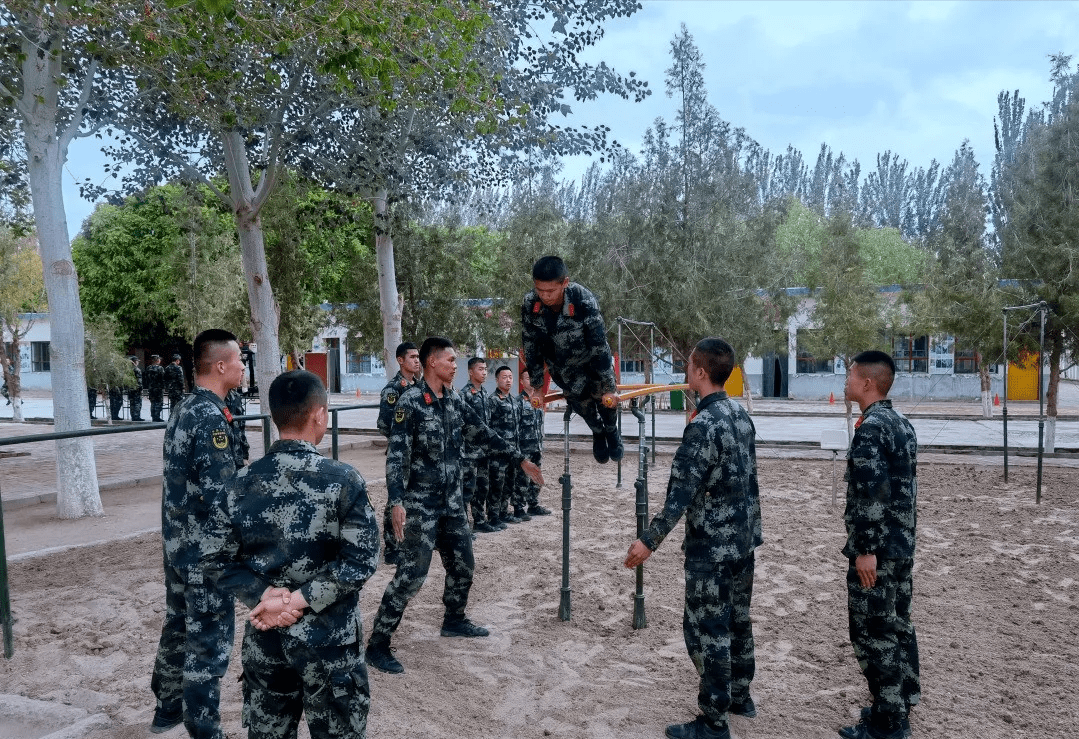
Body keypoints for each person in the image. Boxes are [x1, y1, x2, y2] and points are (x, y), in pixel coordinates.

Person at [202, 370, 379, 739]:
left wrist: (266, 598)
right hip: (330, 645)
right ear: (319, 415)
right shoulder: (343, 479)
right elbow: (360, 560)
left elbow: (214, 559)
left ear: (275, 417)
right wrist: (299, 600)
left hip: (267, 641)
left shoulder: (237, 485)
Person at [364, 337, 544, 675]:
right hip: (421, 506)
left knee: (463, 565)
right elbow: (397, 456)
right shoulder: (411, 402)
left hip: (452, 503)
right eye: (449, 360)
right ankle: (377, 645)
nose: (454, 365)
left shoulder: (454, 400)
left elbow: (484, 433)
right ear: (433, 362)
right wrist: (398, 501)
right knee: (410, 577)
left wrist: (520, 460)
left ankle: (454, 619)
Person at [624, 337, 761, 739]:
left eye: (688, 366)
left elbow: (679, 494)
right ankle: (740, 696)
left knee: (707, 629)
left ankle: (713, 721)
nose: (685, 373)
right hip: (744, 539)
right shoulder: (740, 414)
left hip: (712, 546)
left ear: (701, 372)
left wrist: (649, 540)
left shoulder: (702, 426)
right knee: (738, 619)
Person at [150, 329, 246, 738]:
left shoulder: (188, 407)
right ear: (220, 365)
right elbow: (222, 498)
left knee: (178, 623)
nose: (244, 366)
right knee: (208, 638)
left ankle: (166, 708)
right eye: (240, 359)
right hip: (204, 552)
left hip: (179, 544)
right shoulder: (210, 418)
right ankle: (205, 729)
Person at [838, 351, 920, 739]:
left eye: (851, 374)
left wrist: (866, 548)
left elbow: (872, 493)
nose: (846, 379)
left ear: (868, 382)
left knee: (872, 633)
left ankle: (890, 723)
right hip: (901, 547)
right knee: (898, 625)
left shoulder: (871, 429)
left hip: (879, 552)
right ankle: (898, 702)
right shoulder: (900, 423)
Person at [521, 255, 623, 464]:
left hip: (592, 362)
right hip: (563, 369)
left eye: (550, 291)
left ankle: (612, 431)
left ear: (565, 283)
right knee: (581, 405)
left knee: (606, 403)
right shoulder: (531, 303)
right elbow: (531, 346)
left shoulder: (583, 299)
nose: (545, 296)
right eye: (540, 290)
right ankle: (597, 432)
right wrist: (538, 387)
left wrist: (608, 387)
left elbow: (599, 345)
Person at [376, 341, 421, 566]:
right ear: (400, 360)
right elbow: (384, 423)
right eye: (412, 357)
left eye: (418, 357)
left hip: (419, 455)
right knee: (396, 498)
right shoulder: (394, 389)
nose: (416, 360)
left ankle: (409, 540)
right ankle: (392, 547)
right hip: (401, 454)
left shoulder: (421, 387)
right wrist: (401, 441)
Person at [460, 357, 500, 533]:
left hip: (484, 451)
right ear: (470, 372)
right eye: (480, 369)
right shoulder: (464, 395)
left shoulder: (485, 394)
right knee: (467, 490)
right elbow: (461, 424)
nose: (484, 372)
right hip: (469, 452)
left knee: (483, 487)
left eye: (485, 369)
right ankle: (463, 527)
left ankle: (480, 521)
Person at [487, 365, 526, 525]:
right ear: (497, 380)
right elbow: (488, 427)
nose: (508, 380)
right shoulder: (493, 400)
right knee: (496, 485)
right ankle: (493, 516)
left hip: (513, 452)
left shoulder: (514, 400)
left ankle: (503, 513)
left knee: (508, 484)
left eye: (510, 377)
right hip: (498, 453)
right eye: (504, 377)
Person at [517, 369, 551, 516]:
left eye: (532, 377)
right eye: (527, 378)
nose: (530, 380)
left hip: (537, 445)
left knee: (536, 476)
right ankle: (518, 507)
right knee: (522, 478)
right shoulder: (518, 402)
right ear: (521, 382)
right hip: (524, 447)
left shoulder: (539, 401)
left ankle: (533, 504)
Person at [224, 387, 251, 468]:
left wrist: (244, 456)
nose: (242, 373)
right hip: (222, 454)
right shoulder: (215, 398)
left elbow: (241, 428)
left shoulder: (236, 396)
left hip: (237, 455)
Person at [145, 354, 166, 422]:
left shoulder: (148, 368)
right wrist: (164, 387)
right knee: (159, 402)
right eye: (159, 359)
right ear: (157, 360)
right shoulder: (160, 368)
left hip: (151, 388)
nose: (160, 360)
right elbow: (163, 378)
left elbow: (146, 378)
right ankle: (157, 416)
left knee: (153, 402)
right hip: (158, 388)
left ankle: (153, 416)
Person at [127, 355, 144, 421]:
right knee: (137, 403)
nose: (138, 362)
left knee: (132, 403)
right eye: (137, 361)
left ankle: (133, 416)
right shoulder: (137, 369)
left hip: (130, 389)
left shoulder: (128, 370)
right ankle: (136, 416)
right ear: (134, 362)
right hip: (136, 389)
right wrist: (141, 389)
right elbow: (139, 381)